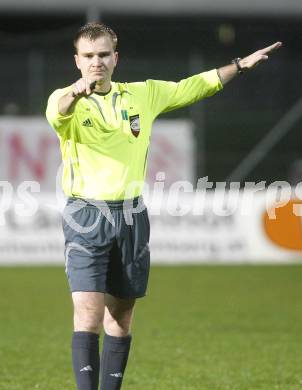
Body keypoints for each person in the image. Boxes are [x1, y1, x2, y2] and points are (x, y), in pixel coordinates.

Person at [46, 22, 282, 390]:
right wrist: (75, 94)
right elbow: (59, 111)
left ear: (115, 58)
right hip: (86, 216)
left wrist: (240, 65)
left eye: (104, 54)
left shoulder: (143, 95)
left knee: (120, 320)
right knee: (87, 315)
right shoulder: (64, 99)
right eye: (89, 56)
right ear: (77, 61)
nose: (97, 62)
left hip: (131, 215)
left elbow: (194, 85)